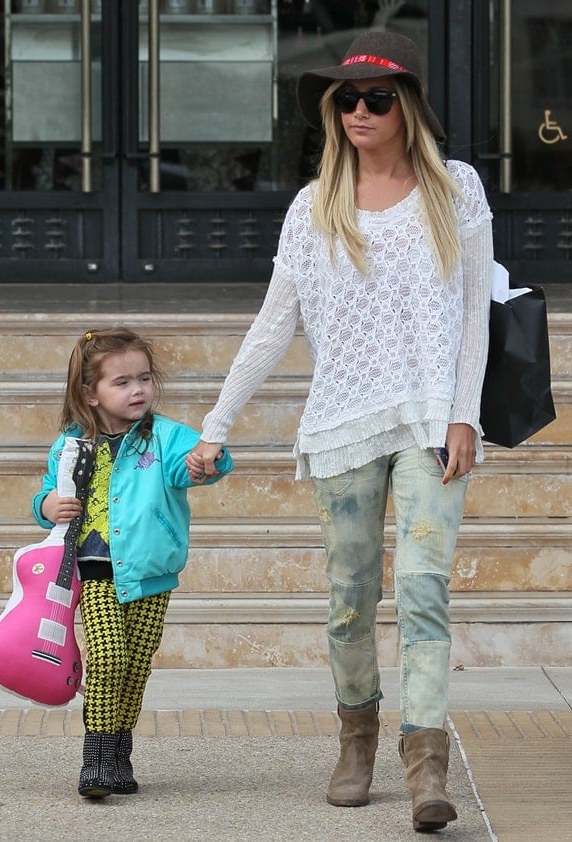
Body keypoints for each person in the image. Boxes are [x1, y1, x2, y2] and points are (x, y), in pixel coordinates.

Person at [187, 28, 493, 833]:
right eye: (346, 98)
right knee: (351, 599)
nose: (359, 110)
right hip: (342, 427)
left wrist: (465, 412)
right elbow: (272, 324)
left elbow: (473, 317)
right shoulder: (312, 203)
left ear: (409, 106)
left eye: (378, 98)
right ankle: (356, 740)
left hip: (431, 419)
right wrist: (216, 424)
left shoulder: (455, 188)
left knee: (424, 589)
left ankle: (427, 766)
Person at [32, 327, 233, 799]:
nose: (137, 389)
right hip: (95, 565)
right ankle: (95, 759)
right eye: (121, 382)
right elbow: (45, 490)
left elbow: (195, 464)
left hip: (151, 570)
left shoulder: (164, 437)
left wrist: (209, 460)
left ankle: (119, 755)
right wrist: (46, 506)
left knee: (136, 665)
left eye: (143, 378)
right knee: (107, 658)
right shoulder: (70, 445)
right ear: (90, 392)